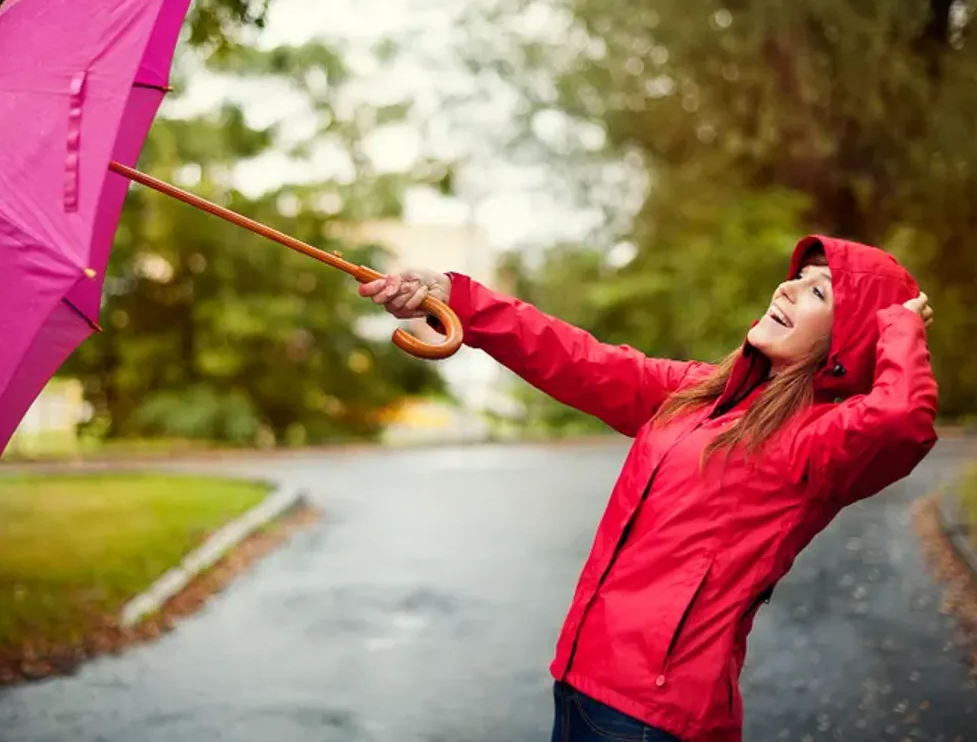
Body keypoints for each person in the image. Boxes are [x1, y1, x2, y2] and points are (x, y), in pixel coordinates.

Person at [358, 234, 937, 742]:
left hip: (655, 716)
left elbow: (901, 420)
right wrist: (457, 297)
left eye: (819, 292)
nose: (787, 290)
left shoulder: (818, 440)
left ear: (849, 339)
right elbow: (578, 357)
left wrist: (899, 326)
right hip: (583, 681)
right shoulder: (698, 394)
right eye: (796, 279)